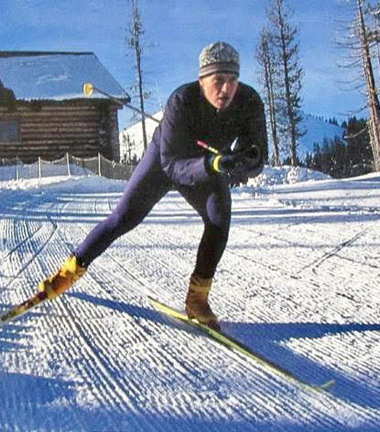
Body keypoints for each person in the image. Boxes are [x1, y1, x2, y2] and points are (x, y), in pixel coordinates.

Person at [39, 41, 267, 330]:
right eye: (218, 80)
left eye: (232, 80)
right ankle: (67, 273)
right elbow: (172, 165)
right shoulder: (181, 101)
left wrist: (245, 162)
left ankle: (197, 299)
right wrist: (212, 165)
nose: (226, 89)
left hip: (210, 167)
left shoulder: (249, 102)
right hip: (164, 162)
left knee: (219, 220)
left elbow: (258, 153)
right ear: (202, 80)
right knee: (122, 218)